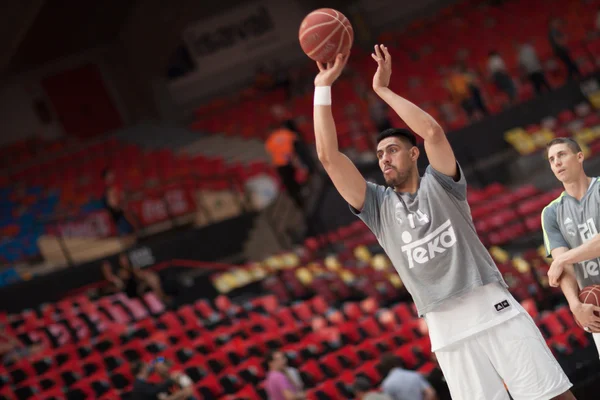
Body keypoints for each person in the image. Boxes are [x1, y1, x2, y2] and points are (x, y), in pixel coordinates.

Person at [312, 44, 575, 399]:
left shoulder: (441, 183)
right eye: (379, 154)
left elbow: (433, 131)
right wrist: (322, 87)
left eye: (392, 150)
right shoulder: (376, 206)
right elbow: (329, 158)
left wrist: (384, 91)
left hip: (491, 306)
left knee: (554, 395)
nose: (384, 159)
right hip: (446, 330)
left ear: (414, 153)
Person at [541, 137, 600, 355]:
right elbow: (563, 269)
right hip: (595, 307)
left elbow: (561, 261)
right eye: (551, 159)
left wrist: (564, 259)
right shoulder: (551, 213)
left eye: (562, 155)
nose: (556, 162)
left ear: (580, 157)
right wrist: (575, 305)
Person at [102, 168, 138, 236]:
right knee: (127, 235)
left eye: (112, 174)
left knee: (132, 232)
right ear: (106, 177)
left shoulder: (116, 186)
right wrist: (120, 206)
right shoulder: (108, 190)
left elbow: (123, 196)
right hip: (118, 216)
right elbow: (113, 205)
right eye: (110, 174)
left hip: (123, 213)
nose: (112, 175)